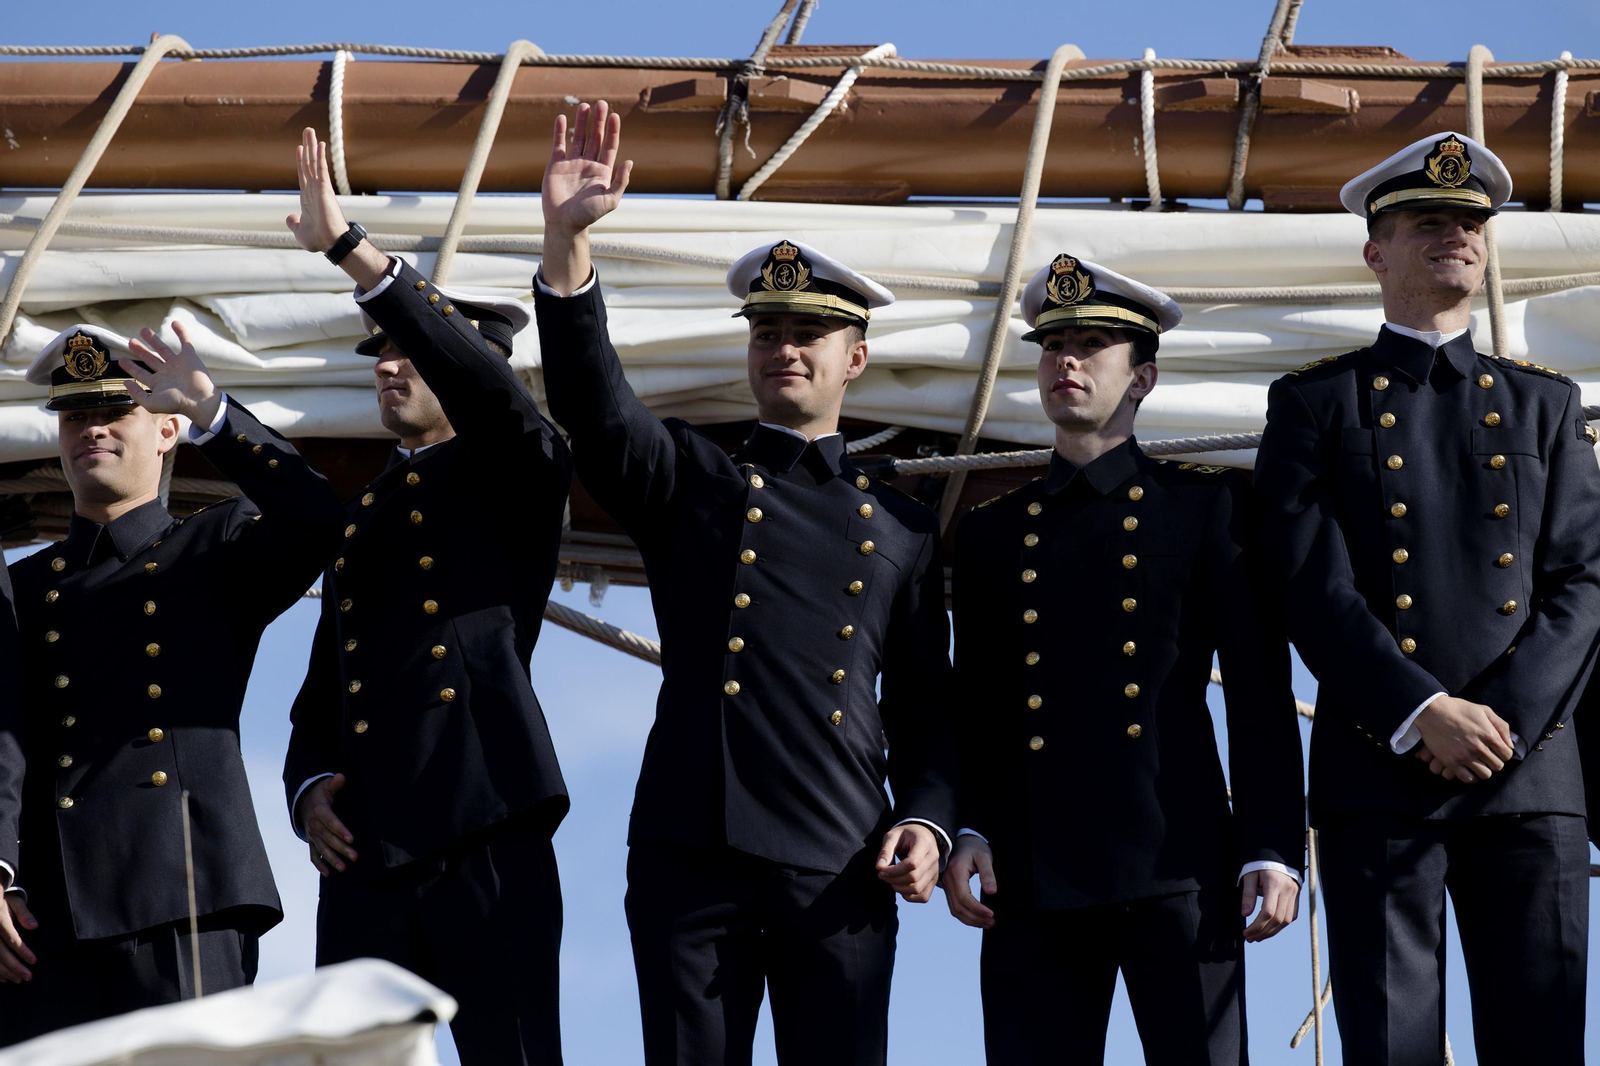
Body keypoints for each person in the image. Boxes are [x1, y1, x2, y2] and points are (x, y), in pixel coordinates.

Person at [534, 101, 955, 1066]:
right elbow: (597, 410)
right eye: (767, 329)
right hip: (694, 856)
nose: (785, 347)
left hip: (841, 861)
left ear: (856, 357)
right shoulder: (694, 480)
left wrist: (929, 817)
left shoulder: (902, 525)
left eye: (809, 331)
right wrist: (566, 246)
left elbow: (931, 708)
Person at [1253, 131, 1599, 1064]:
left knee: (1542, 1047)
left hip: (1528, 780)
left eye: (1471, 223)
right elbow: (1307, 580)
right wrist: (1422, 711)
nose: (1457, 235)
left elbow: (1582, 583)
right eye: (1428, 222)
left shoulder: (1546, 407)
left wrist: (1499, 723)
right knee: (1392, 1050)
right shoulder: (1315, 406)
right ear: (1377, 251)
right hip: (1380, 770)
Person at [941, 254, 1304, 1064]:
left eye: (1093, 347)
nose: (1067, 362)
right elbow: (982, 703)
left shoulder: (1208, 506)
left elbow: (1256, 693)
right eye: (1054, 346)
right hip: (1031, 875)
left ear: (1141, 377)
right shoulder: (995, 533)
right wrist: (968, 824)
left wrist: (1273, 846)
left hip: (1179, 866)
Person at [280, 127, 574, 1065]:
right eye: (378, 354)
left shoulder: (520, 470)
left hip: (485, 819)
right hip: (369, 843)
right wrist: (307, 781)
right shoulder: (367, 518)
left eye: (409, 350)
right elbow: (330, 676)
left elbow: (492, 398)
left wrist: (352, 252)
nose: (389, 365)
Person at [0, 321, 344, 1044]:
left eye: (112, 411)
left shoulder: (216, 547)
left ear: (167, 431)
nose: (90, 430)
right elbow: (3, 743)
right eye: (74, 415)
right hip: (44, 916)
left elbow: (318, 518)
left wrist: (213, 408)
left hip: (182, 893)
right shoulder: (20, 588)